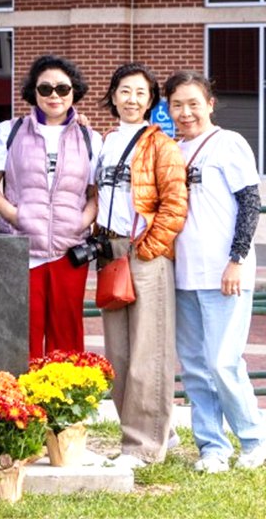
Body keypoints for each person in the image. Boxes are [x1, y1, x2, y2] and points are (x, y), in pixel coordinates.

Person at [165, 70, 266, 473]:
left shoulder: (229, 143)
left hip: (226, 272)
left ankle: (253, 440)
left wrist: (237, 259)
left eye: (193, 103)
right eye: (177, 104)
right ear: (167, 108)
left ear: (210, 104)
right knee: (193, 366)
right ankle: (212, 447)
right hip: (184, 275)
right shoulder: (173, 149)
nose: (185, 112)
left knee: (224, 362)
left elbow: (249, 203)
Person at [0, 55, 101, 359]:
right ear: (33, 92)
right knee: (22, 337)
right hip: (21, 249)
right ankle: (24, 406)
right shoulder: (8, 131)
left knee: (67, 341)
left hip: (69, 250)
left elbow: (96, 193)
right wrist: (17, 216)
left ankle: (70, 404)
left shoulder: (90, 137)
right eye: (45, 89)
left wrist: (81, 221)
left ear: (74, 91)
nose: (54, 95)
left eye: (62, 88)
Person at [96, 62, 188, 468]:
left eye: (141, 93)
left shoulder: (161, 145)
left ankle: (142, 448)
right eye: (125, 91)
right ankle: (156, 428)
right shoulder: (104, 142)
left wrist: (147, 249)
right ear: (113, 95)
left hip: (145, 254)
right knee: (119, 354)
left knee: (149, 351)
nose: (132, 99)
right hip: (110, 252)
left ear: (151, 102)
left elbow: (174, 204)